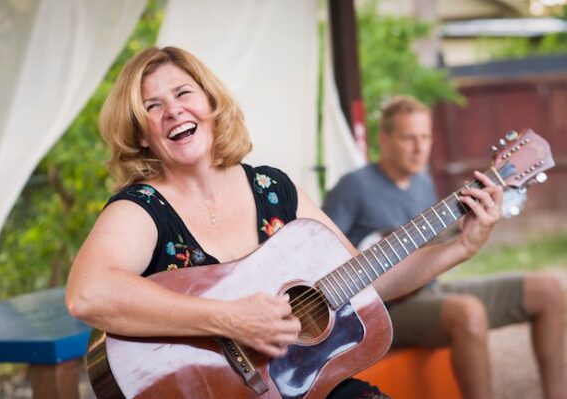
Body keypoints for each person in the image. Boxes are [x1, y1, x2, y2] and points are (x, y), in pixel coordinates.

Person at [65, 47, 502, 399]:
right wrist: (229, 319)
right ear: (141, 133)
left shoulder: (273, 189)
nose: (173, 111)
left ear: (210, 103)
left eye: (183, 94)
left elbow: (368, 279)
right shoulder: (142, 208)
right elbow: (88, 295)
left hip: (308, 387)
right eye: (152, 106)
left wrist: (459, 248)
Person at [322, 95, 566, 399]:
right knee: (468, 312)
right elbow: (320, 254)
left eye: (425, 136)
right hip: (379, 307)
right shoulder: (353, 186)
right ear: (384, 140)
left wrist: (473, 225)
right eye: (409, 137)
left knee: (548, 290)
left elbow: (436, 244)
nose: (420, 146)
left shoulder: (423, 183)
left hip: (428, 290)